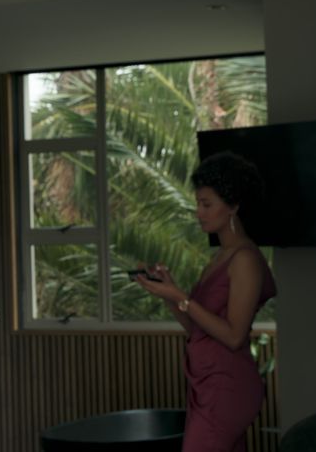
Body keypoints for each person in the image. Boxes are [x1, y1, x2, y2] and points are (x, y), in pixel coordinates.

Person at [133, 151, 276, 452]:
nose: (199, 212)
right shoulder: (220, 258)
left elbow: (235, 336)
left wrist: (181, 298)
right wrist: (169, 293)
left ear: (233, 206)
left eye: (207, 204)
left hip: (227, 386)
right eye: (198, 203)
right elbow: (198, 328)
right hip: (208, 383)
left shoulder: (245, 259)